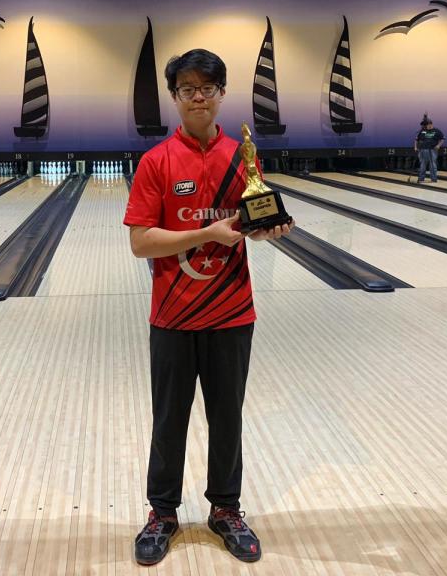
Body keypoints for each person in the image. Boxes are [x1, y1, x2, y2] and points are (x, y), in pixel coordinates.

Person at [123, 48, 293, 566]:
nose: (198, 97)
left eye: (208, 88)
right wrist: (208, 232)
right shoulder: (156, 162)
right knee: (169, 419)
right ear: (175, 97)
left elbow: (249, 223)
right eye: (188, 89)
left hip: (232, 314)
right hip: (173, 317)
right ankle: (163, 514)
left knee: (227, 418)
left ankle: (226, 509)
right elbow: (141, 242)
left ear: (221, 94)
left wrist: (267, 231)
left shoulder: (243, 157)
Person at [414, 115, 445, 183]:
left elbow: (442, 139)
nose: (425, 127)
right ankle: (421, 179)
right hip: (422, 150)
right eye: (425, 125)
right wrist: (415, 147)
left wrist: (438, 145)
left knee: (432, 165)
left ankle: (434, 179)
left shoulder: (437, 131)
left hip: (432, 150)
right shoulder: (422, 131)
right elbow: (416, 140)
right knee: (422, 165)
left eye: (426, 125)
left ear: (430, 124)